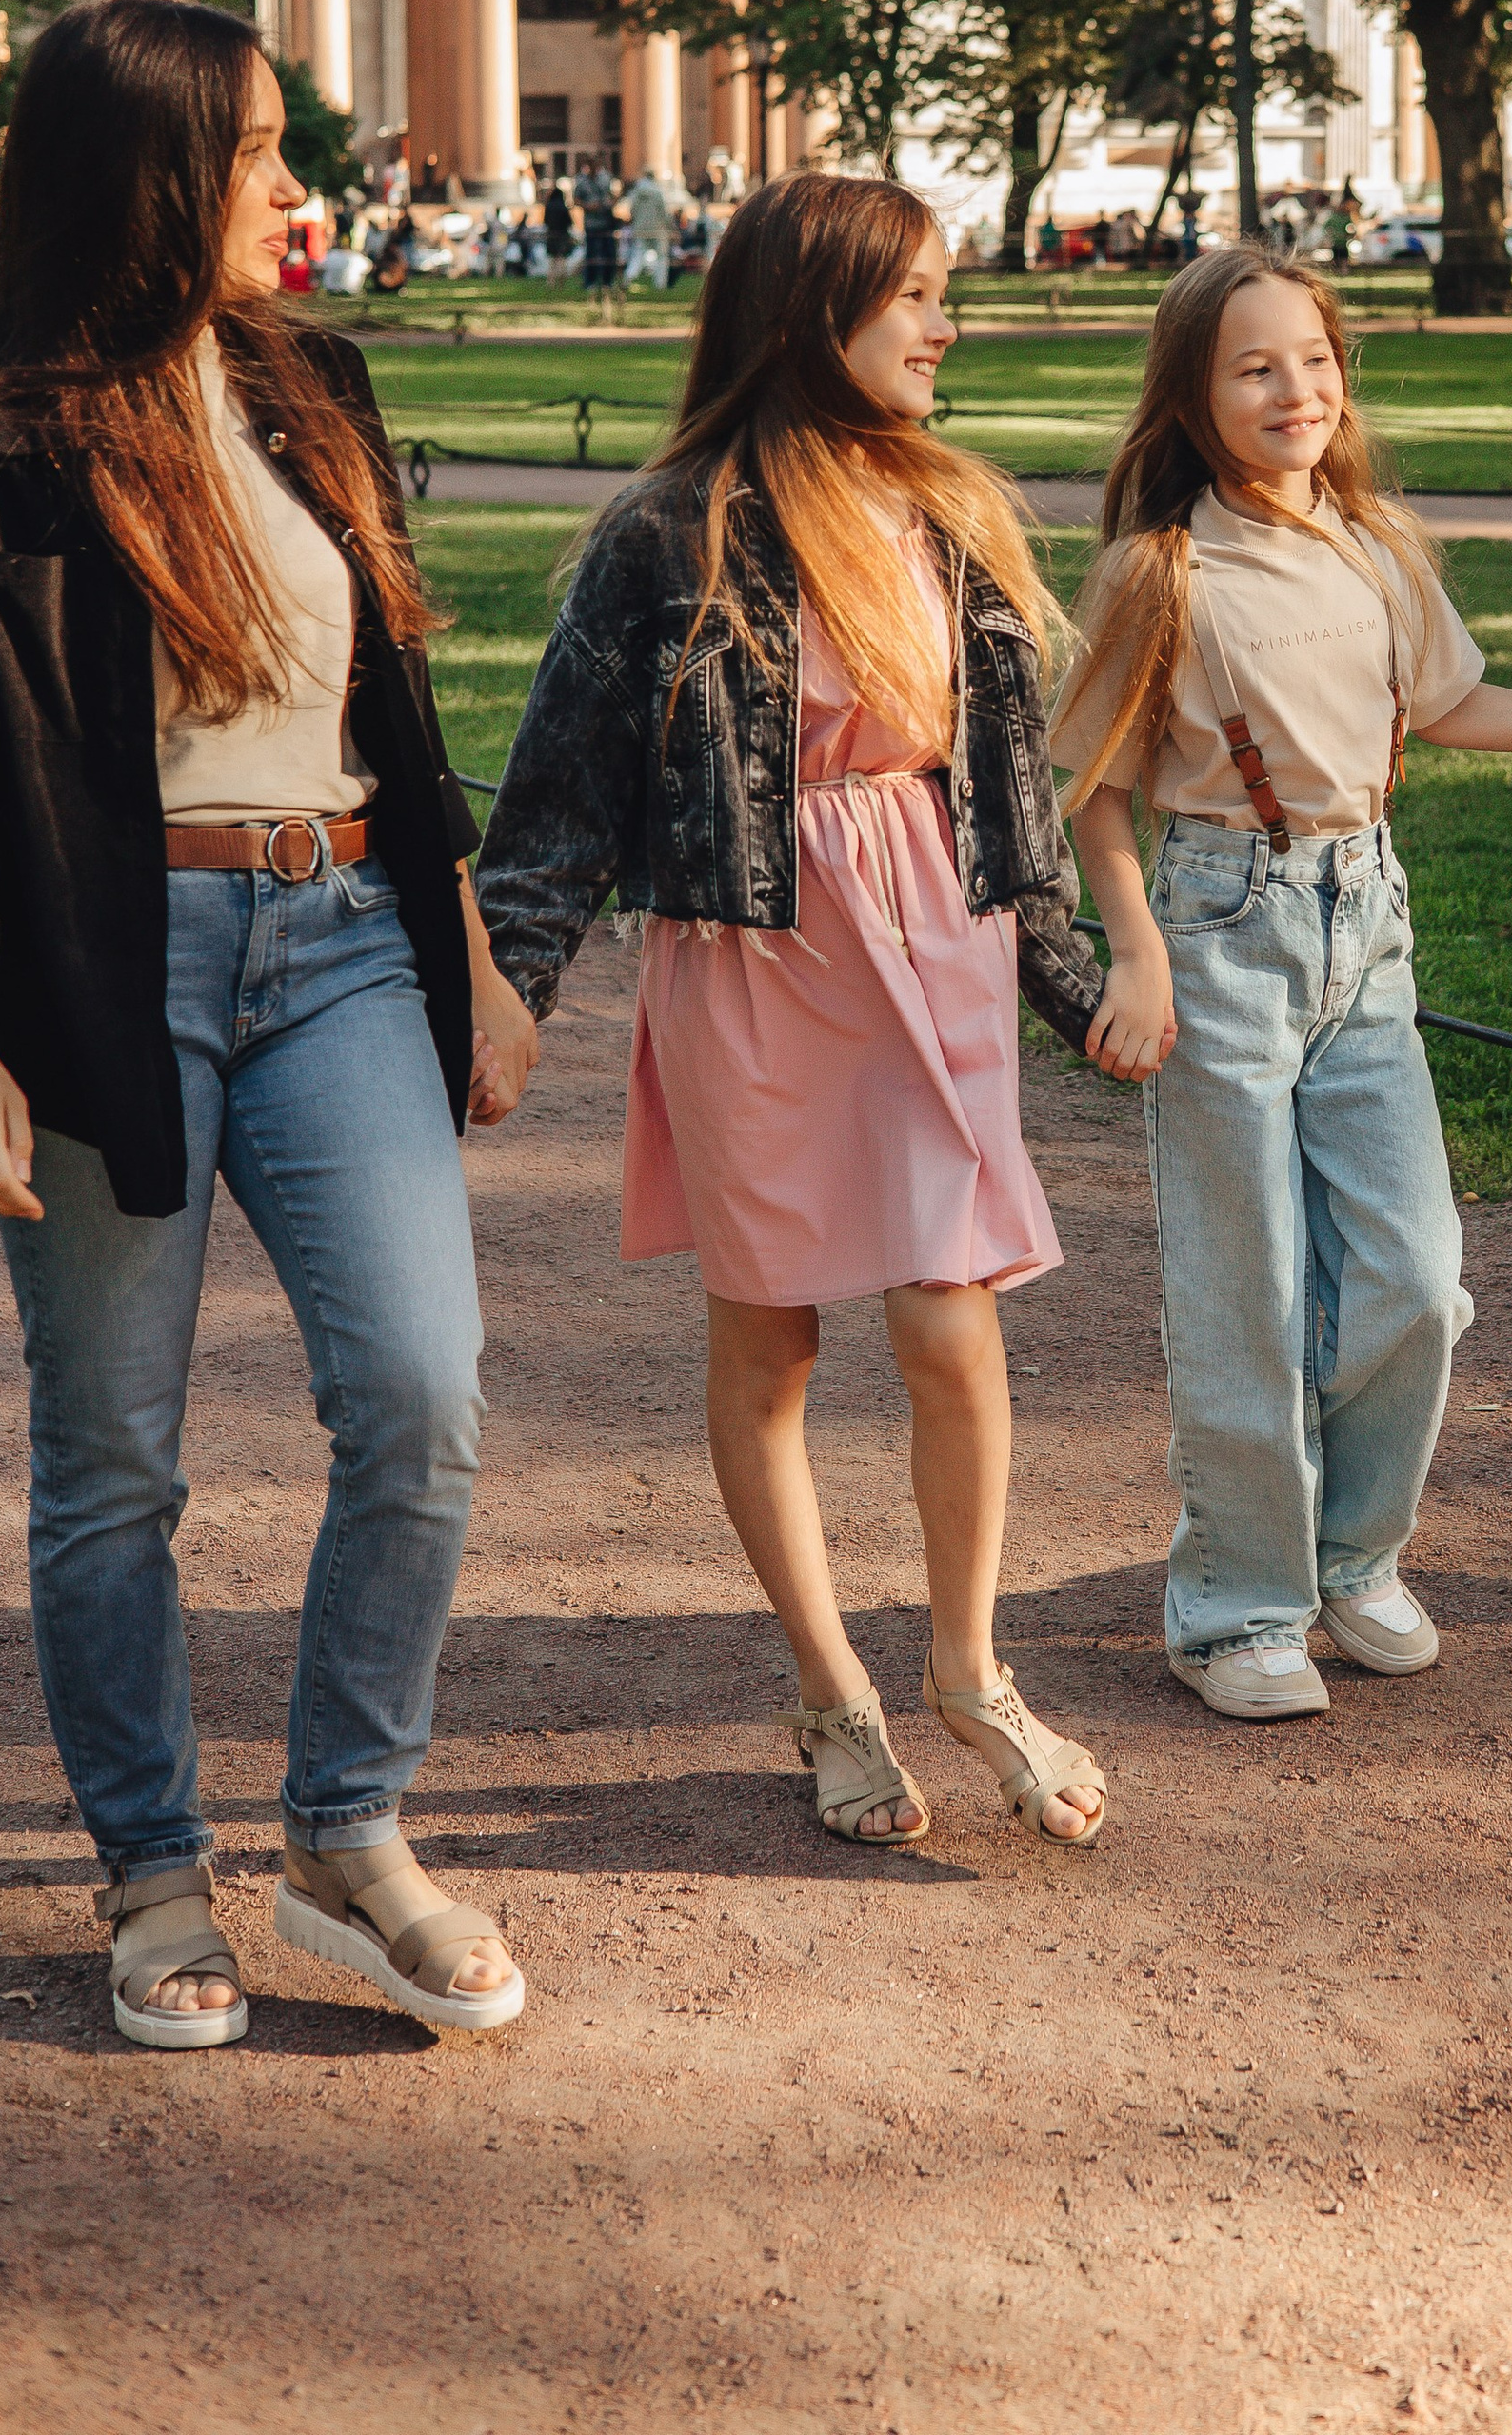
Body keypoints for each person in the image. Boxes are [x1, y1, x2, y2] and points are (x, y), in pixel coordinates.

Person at [0, 0, 540, 2048]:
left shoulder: (315, 385)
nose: (301, 185)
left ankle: (346, 1832)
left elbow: (396, 710)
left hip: (345, 935)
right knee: (113, 1456)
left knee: (428, 1398)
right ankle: (151, 1873)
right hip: (117, 970)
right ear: (146, 174)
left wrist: (464, 939)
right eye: (262, 149)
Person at [478, 177, 1119, 1849]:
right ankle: (833, 1689)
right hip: (757, 962)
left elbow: (1014, 785)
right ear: (809, 310)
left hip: (934, 939)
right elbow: (558, 801)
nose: (943, 325)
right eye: (912, 293)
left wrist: (1070, 982)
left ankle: (970, 1670)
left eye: (942, 293)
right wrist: (504, 995)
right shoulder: (666, 531)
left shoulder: (954, 514)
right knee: (770, 1340)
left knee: (949, 1317)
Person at [1052, 245, 1512, 1722]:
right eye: (1256, 367)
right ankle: (1235, 1607)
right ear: (1195, 399)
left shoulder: (1377, 545)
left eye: (1315, 361)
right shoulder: (1164, 573)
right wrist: (1136, 950)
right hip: (1223, 931)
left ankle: (1353, 1555)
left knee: (1415, 1274)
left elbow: (1452, 701)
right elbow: (1093, 787)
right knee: (1247, 1284)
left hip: (1367, 922)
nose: (1297, 391)